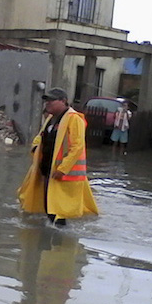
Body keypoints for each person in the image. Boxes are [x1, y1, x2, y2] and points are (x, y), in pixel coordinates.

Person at [17, 87, 98, 227]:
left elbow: (77, 147)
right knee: (49, 206)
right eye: (46, 101)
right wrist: (35, 149)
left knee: (59, 211)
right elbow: (40, 137)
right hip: (47, 169)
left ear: (63, 101)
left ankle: (58, 242)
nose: (47, 103)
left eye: (51, 101)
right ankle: (49, 239)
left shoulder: (74, 119)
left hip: (62, 175)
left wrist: (63, 169)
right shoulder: (50, 119)